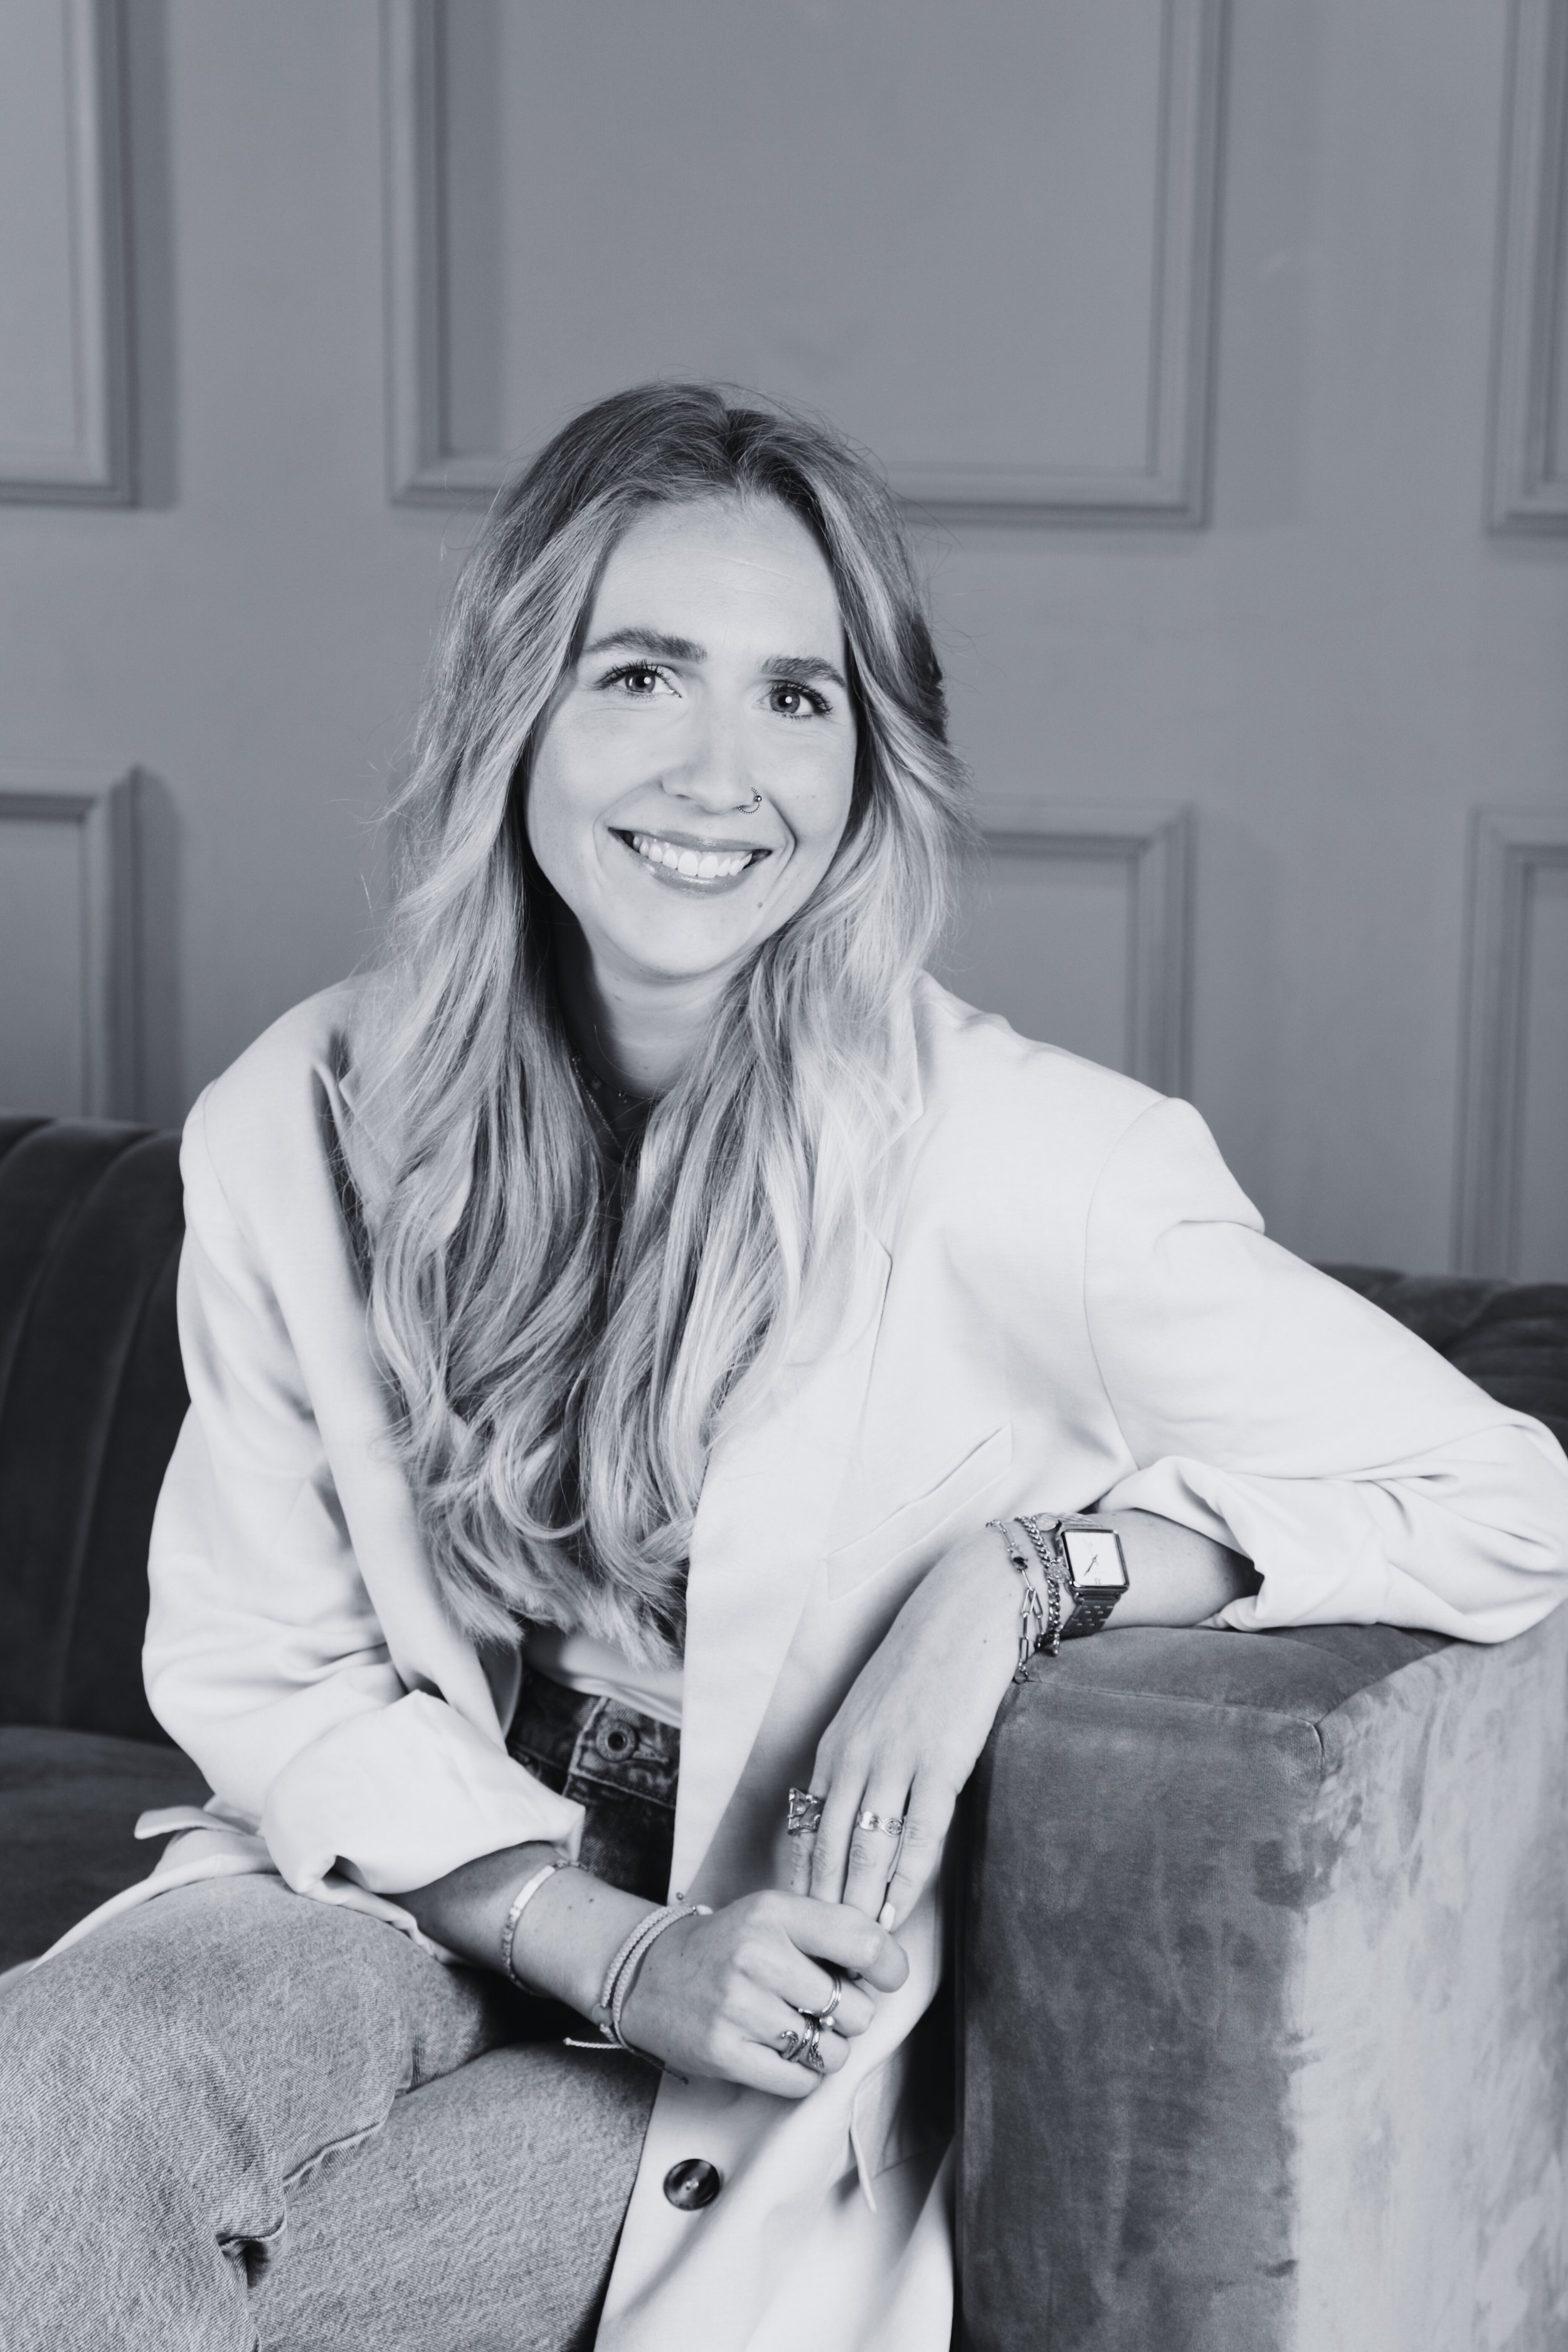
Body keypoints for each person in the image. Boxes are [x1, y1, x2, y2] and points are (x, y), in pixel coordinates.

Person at [3, 383, 1565, 2352]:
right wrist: (604, 1940)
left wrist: (1022, 1578)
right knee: (36, 2115)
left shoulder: (1033, 1166)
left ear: (866, 762)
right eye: (643, 675)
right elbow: (263, 1655)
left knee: (282, 2294)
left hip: (759, 2011)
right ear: (518, 713)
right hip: (420, 1866)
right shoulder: (300, 1124)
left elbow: (1510, 1500)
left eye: (797, 698)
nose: (718, 772)